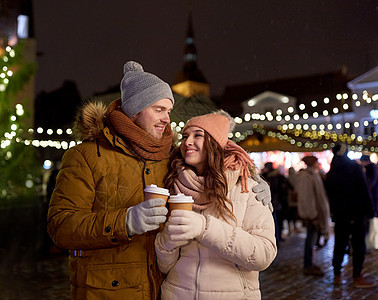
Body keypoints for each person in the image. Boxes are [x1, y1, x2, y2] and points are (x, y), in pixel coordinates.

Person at [47, 61, 272, 299]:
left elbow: (217, 157)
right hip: (108, 291)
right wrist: (126, 221)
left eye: (168, 110)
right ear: (135, 110)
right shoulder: (87, 155)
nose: (167, 118)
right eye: (159, 109)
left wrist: (254, 178)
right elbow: (61, 226)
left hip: (162, 289)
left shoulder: (171, 156)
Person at [155, 111, 277, 299]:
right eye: (186, 136)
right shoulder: (174, 185)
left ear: (215, 142)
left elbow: (263, 255)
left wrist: (205, 228)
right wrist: (168, 241)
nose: (187, 142)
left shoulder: (246, 188)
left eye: (198, 135)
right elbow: (165, 266)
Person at [325, 144, 375, 288]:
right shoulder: (354, 167)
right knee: (359, 246)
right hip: (357, 213)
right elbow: (364, 190)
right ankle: (357, 276)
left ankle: (337, 275)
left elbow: (331, 196)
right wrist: (370, 210)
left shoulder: (331, 172)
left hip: (340, 215)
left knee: (340, 244)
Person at [294, 155, 331, 276]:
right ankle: (308, 265)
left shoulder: (312, 175)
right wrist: (311, 214)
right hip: (312, 214)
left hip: (315, 213)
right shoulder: (306, 176)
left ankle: (310, 263)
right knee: (310, 239)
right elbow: (307, 198)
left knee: (312, 239)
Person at [262, 162, 289, 247]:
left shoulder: (268, 177)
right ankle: (277, 239)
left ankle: (275, 241)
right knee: (278, 221)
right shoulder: (277, 176)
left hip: (273, 203)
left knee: (274, 222)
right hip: (278, 202)